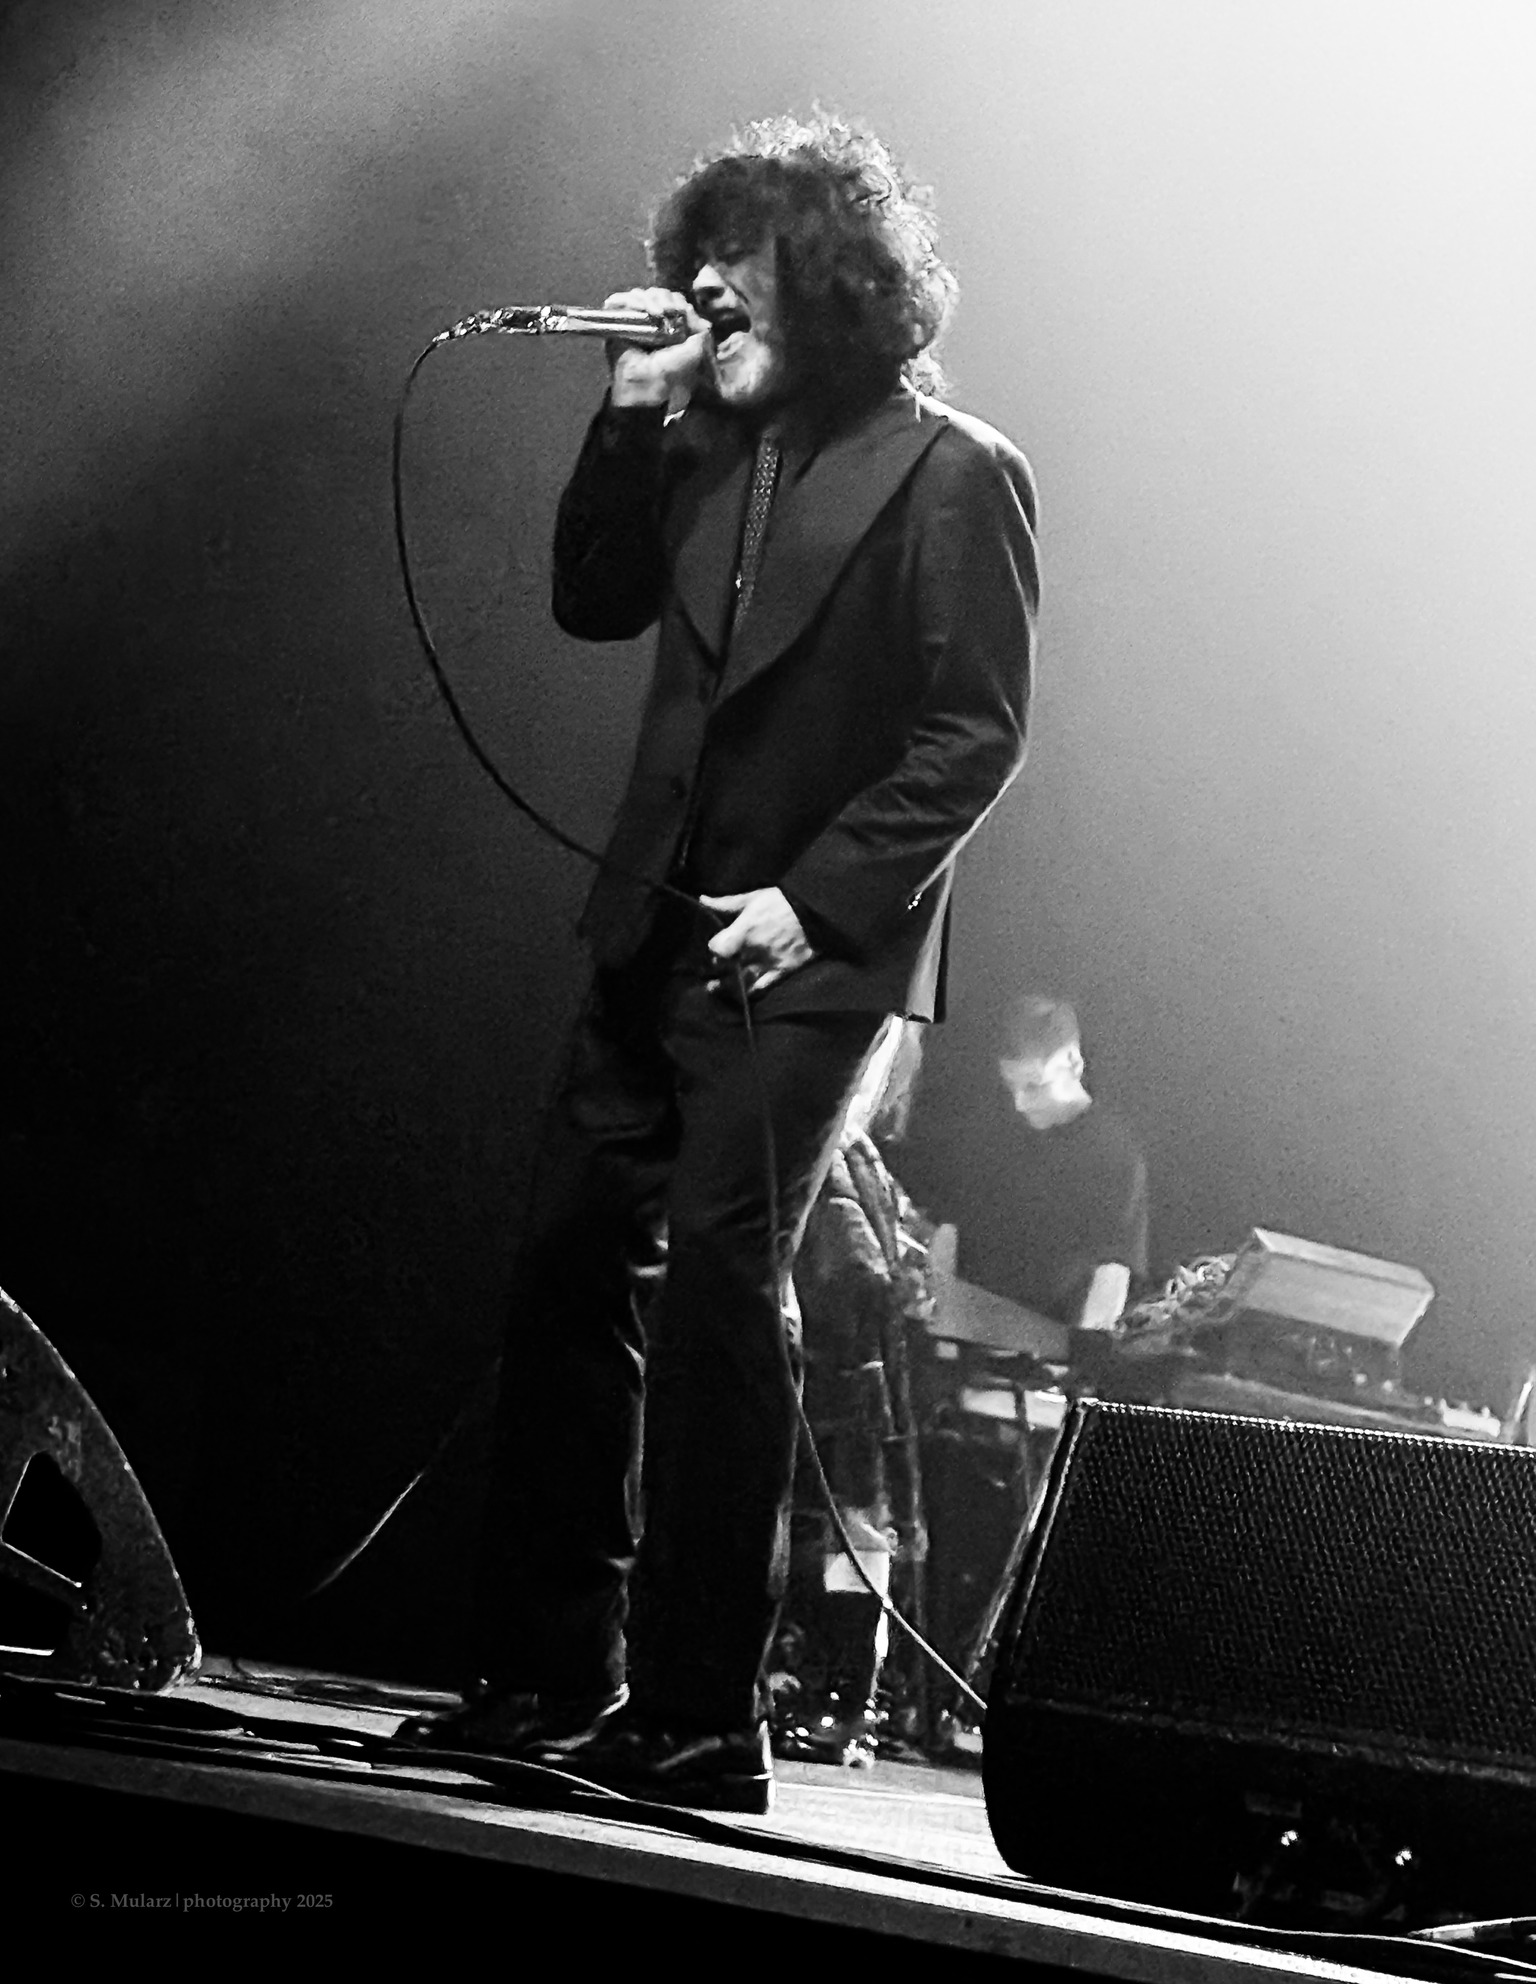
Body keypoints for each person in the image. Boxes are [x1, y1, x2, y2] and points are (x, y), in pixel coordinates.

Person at [397, 111, 1038, 1813]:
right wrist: (626, 413)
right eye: (699, 257)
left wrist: (817, 902)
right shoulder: (694, 444)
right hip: (648, 921)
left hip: (804, 956)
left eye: (741, 264)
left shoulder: (953, 470)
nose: (703, 288)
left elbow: (975, 733)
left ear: (831, 283)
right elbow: (591, 600)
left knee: (720, 1290)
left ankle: (699, 1715)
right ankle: (548, 1671)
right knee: (564, 1267)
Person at [771, 1018, 933, 1769]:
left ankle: (837, 1697)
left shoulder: (835, 1155)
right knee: (854, 1536)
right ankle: (844, 1697)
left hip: (836, 1384)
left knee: (843, 1537)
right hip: (852, 1386)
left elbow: (859, 1273)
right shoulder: (858, 1158)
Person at [904, 993, 1149, 1331]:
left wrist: (1084, 1351)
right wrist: (936, 1323)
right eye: (1012, 1085)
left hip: (1049, 1348)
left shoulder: (1115, 1156)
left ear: (1073, 1063)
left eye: (1035, 1086)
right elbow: (950, 1230)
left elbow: (1113, 1273)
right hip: (965, 1337)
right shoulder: (991, 1132)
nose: (1020, 1103)